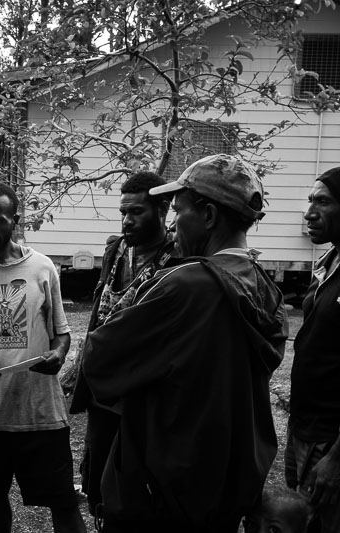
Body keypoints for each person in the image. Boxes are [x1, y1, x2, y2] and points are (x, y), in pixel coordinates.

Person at [82, 154, 289, 532]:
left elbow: (99, 359)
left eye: (178, 211)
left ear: (208, 216)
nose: (173, 224)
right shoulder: (265, 288)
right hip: (226, 484)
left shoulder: (185, 285)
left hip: (164, 490)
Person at [0, 181, 87, 533]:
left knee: (63, 502)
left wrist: (58, 354)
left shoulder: (42, 268)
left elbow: (61, 333)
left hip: (41, 412)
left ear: (15, 221)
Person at [67, 171, 176, 521]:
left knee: (136, 486)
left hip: (144, 394)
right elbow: (100, 311)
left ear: (163, 209)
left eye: (137, 212)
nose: (127, 220)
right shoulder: (116, 250)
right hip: (103, 391)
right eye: (123, 212)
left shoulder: (176, 257)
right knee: (99, 479)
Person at [286, 166, 340, 533]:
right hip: (305, 425)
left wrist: (338, 458)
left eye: (322, 202)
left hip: (332, 439)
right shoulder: (329, 262)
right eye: (310, 201)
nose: (309, 213)